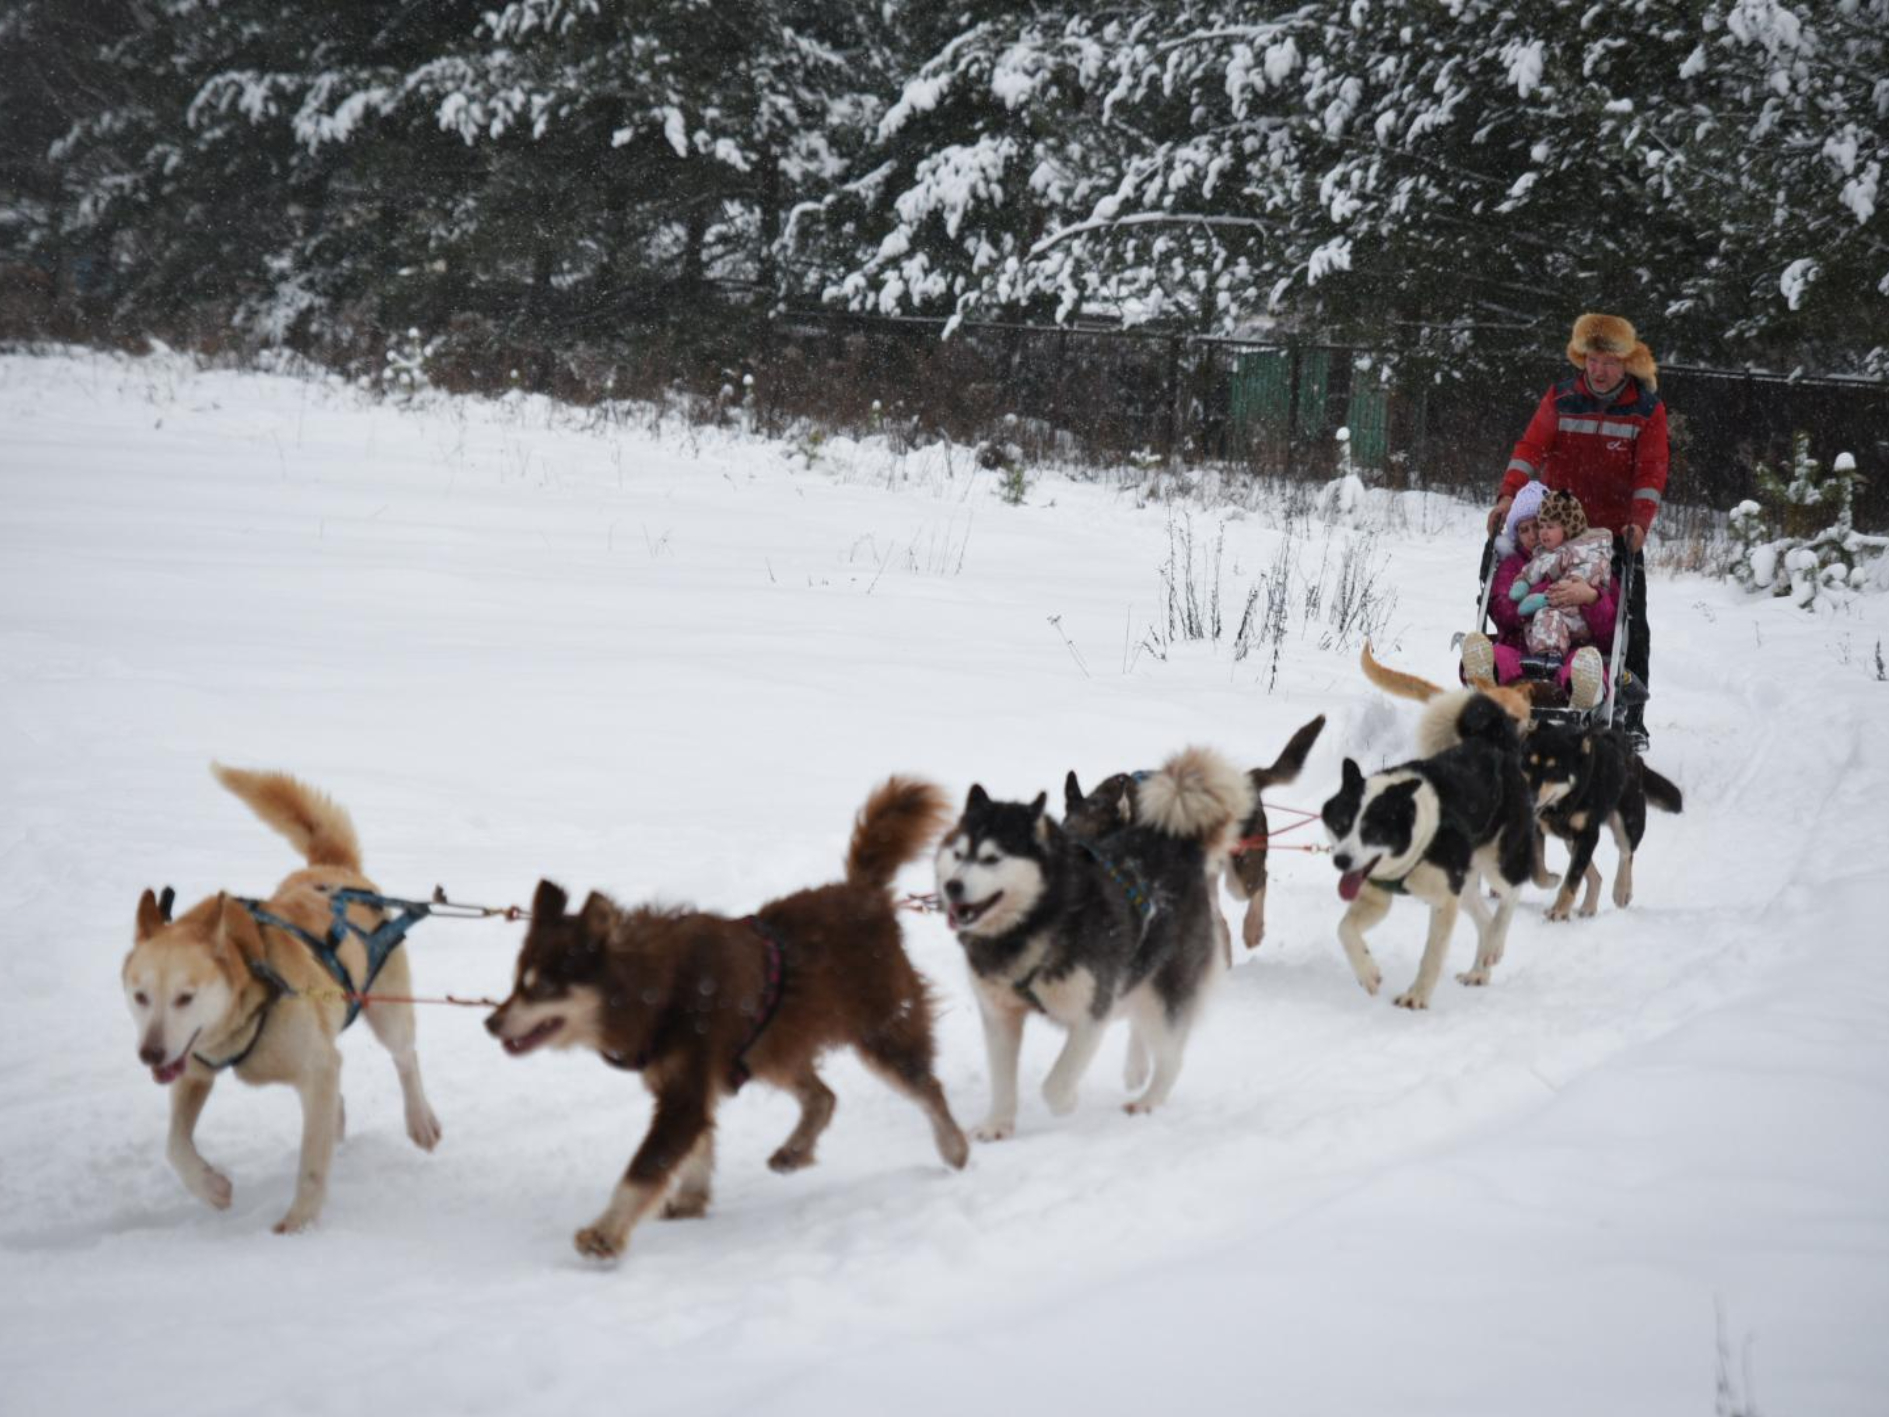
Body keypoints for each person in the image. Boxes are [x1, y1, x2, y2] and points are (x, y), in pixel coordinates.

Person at [1485, 312, 1668, 740]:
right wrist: (1508, 496)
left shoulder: (1645, 409)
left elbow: (1651, 472)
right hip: (1558, 527)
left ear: (1626, 362)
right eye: (1592, 360)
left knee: (1627, 622)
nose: (1599, 371)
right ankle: (1527, 685)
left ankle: (1629, 715)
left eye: (1609, 361)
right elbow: (1530, 448)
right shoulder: (1563, 397)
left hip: (1613, 535)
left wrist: (1639, 524)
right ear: (1581, 358)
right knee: (1536, 602)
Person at [1461, 481, 1614, 710]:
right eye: (1524, 530)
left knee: (1583, 661)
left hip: (1572, 644)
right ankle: (1485, 674)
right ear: (1516, 535)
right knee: (1501, 656)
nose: (1536, 535)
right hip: (1521, 649)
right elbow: (1501, 609)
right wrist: (1540, 593)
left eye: (1540, 525)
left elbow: (1608, 627)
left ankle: (1583, 689)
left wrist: (1590, 597)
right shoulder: (1513, 565)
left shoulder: (1585, 556)